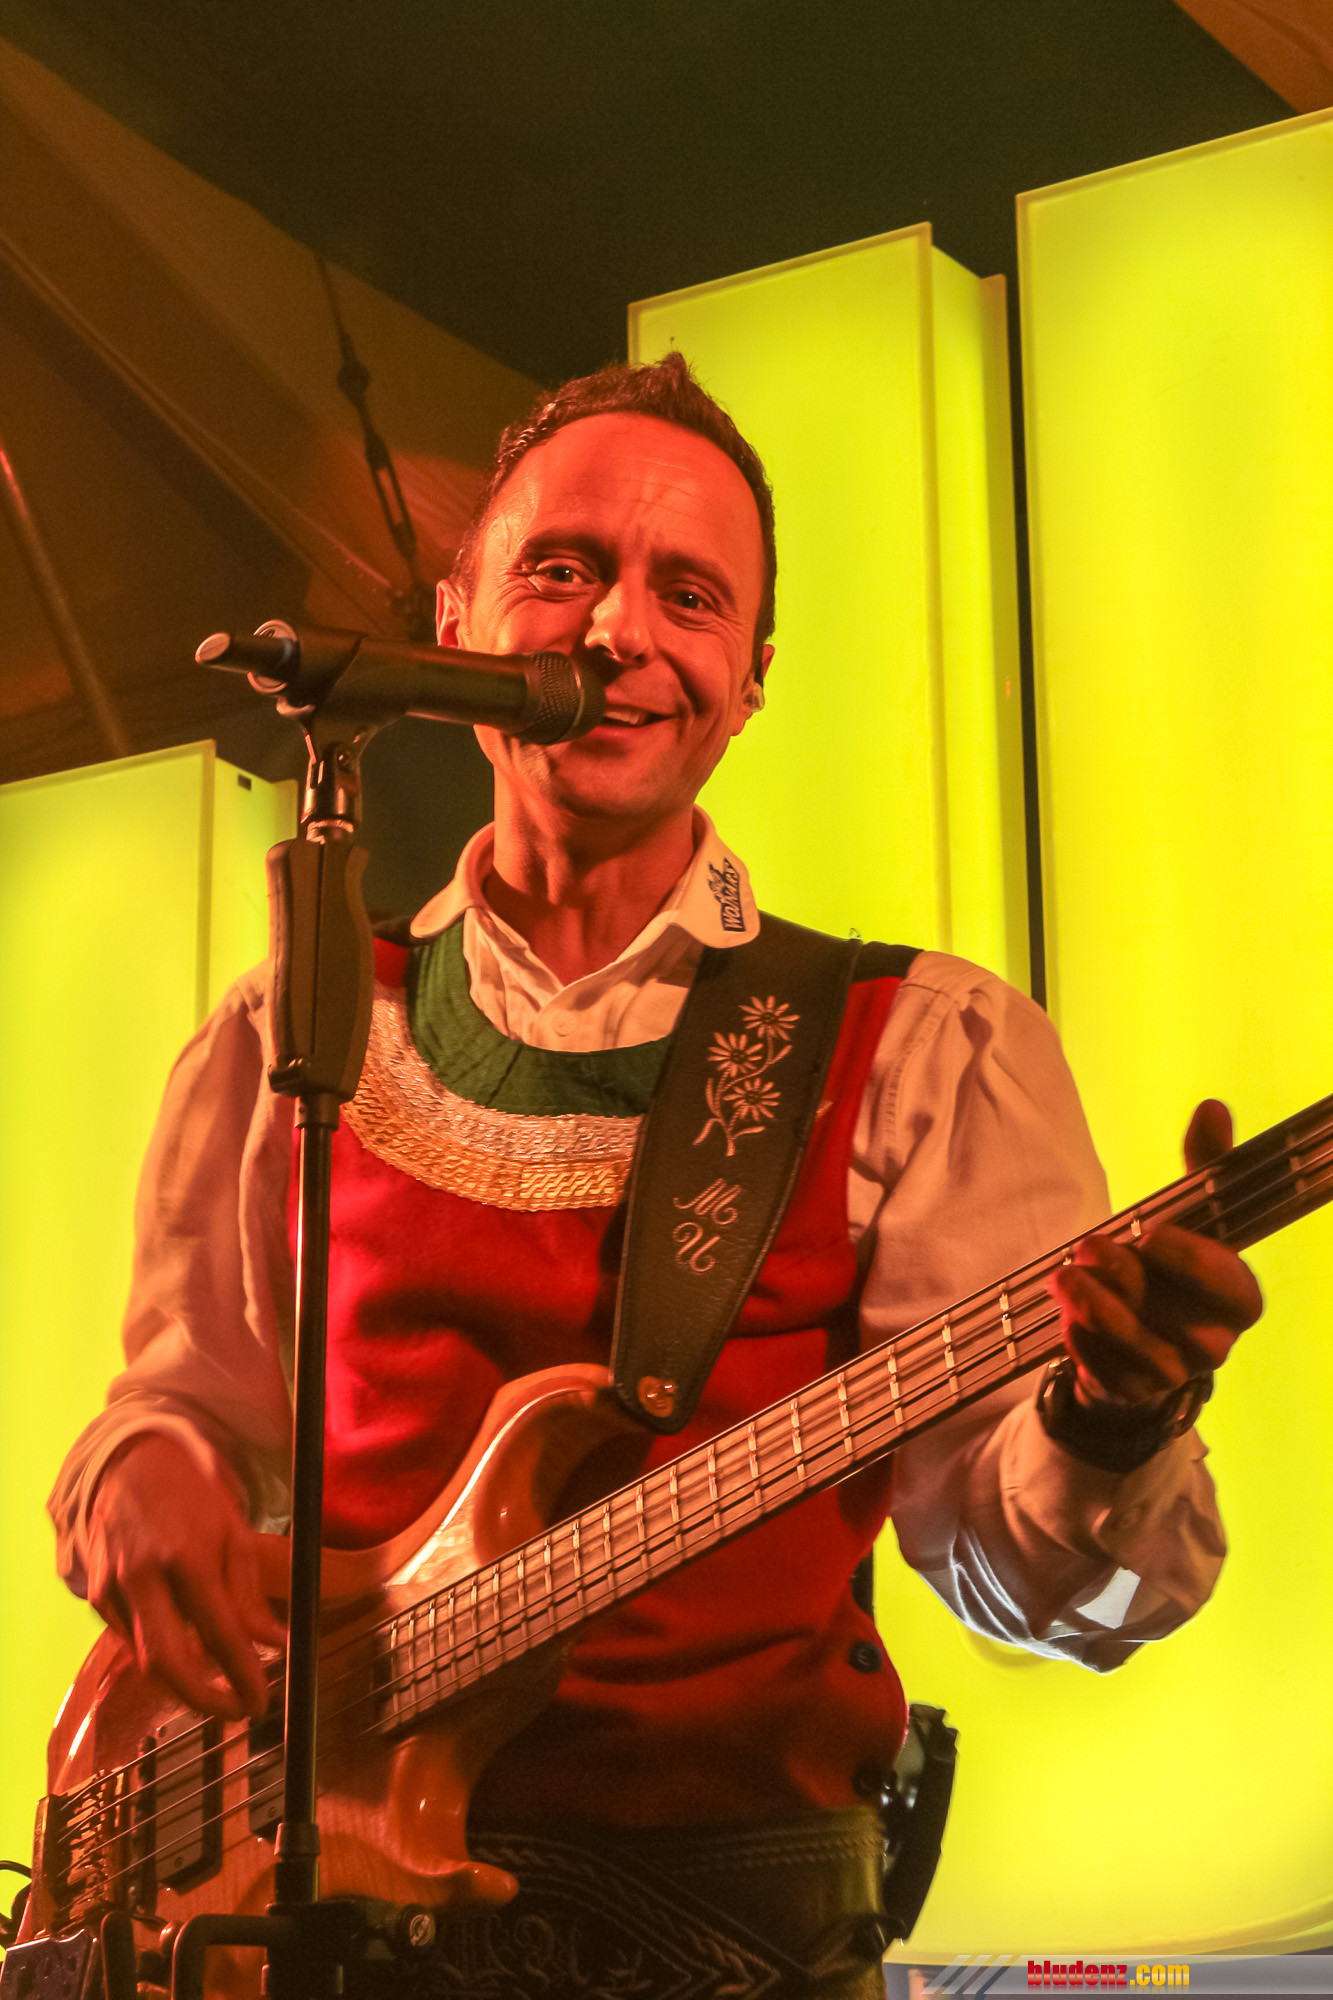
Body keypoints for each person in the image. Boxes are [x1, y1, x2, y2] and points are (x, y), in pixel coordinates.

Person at [50, 353, 1261, 1999]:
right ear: (456, 619)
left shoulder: (914, 1045)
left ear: (747, 681)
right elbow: (182, 1406)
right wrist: (142, 1475)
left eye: (688, 596)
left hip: (717, 1941)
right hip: (311, 1923)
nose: (619, 630)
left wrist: (1109, 1419)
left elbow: (1028, 1585)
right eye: (563, 569)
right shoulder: (294, 1030)